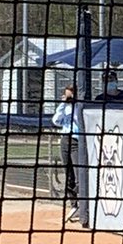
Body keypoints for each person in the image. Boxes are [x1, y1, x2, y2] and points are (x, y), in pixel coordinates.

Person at [52, 83, 80, 223]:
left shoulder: (80, 107)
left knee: (78, 173)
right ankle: (74, 205)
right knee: (68, 174)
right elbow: (56, 121)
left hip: (77, 140)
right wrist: (64, 103)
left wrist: (74, 102)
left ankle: (83, 204)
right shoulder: (65, 107)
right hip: (65, 139)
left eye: (71, 94)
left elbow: (79, 122)